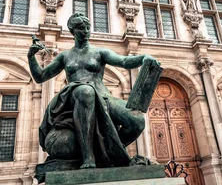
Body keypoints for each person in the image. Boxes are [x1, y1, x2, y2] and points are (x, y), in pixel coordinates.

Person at [28, 13, 160, 169]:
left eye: (87, 27)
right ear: (73, 31)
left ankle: (110, 151)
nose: (86, 31)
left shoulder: (99, 52)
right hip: (75, 94)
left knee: (137, 121)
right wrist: (31, 56)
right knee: (85, 91)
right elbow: (41, 76)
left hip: (102, 95)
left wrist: (143, 57)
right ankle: (87, 156)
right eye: (81, 28)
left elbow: (124, 61)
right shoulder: (65, 56)